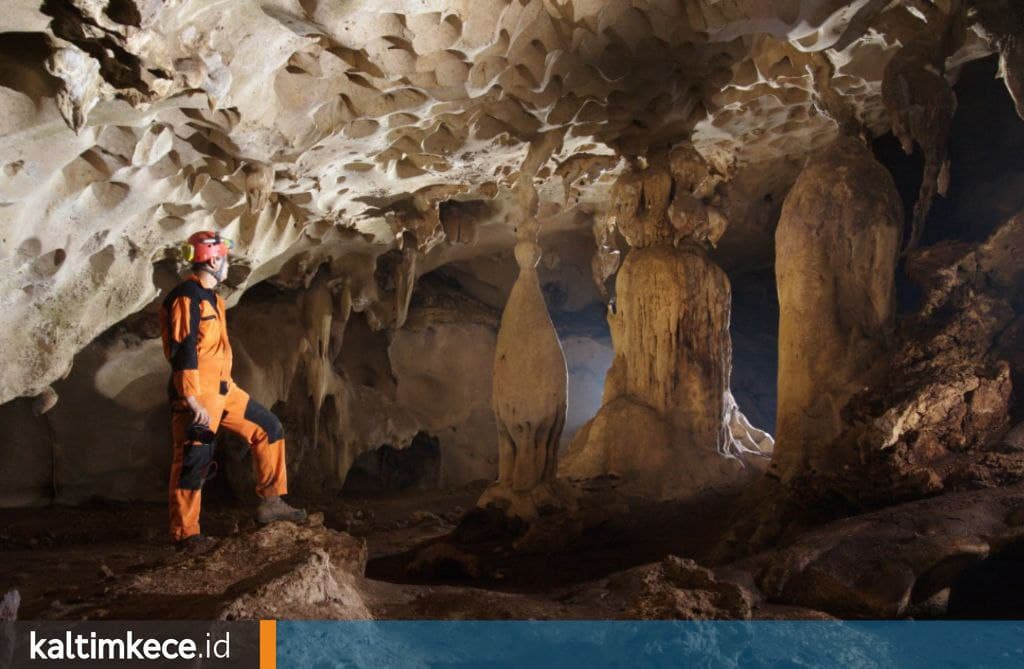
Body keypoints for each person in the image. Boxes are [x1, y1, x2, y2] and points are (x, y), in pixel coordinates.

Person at [159, 231, 306, 554]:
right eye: (225, 258)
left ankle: (271, 501)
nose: (228, 266)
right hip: (199, 393)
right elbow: (184, 348)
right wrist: (191, 398)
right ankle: (186, 535)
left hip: (225, 390)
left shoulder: (215, 299)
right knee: (193, 460)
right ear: (213, 260)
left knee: (269, 428)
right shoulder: (187, 297)